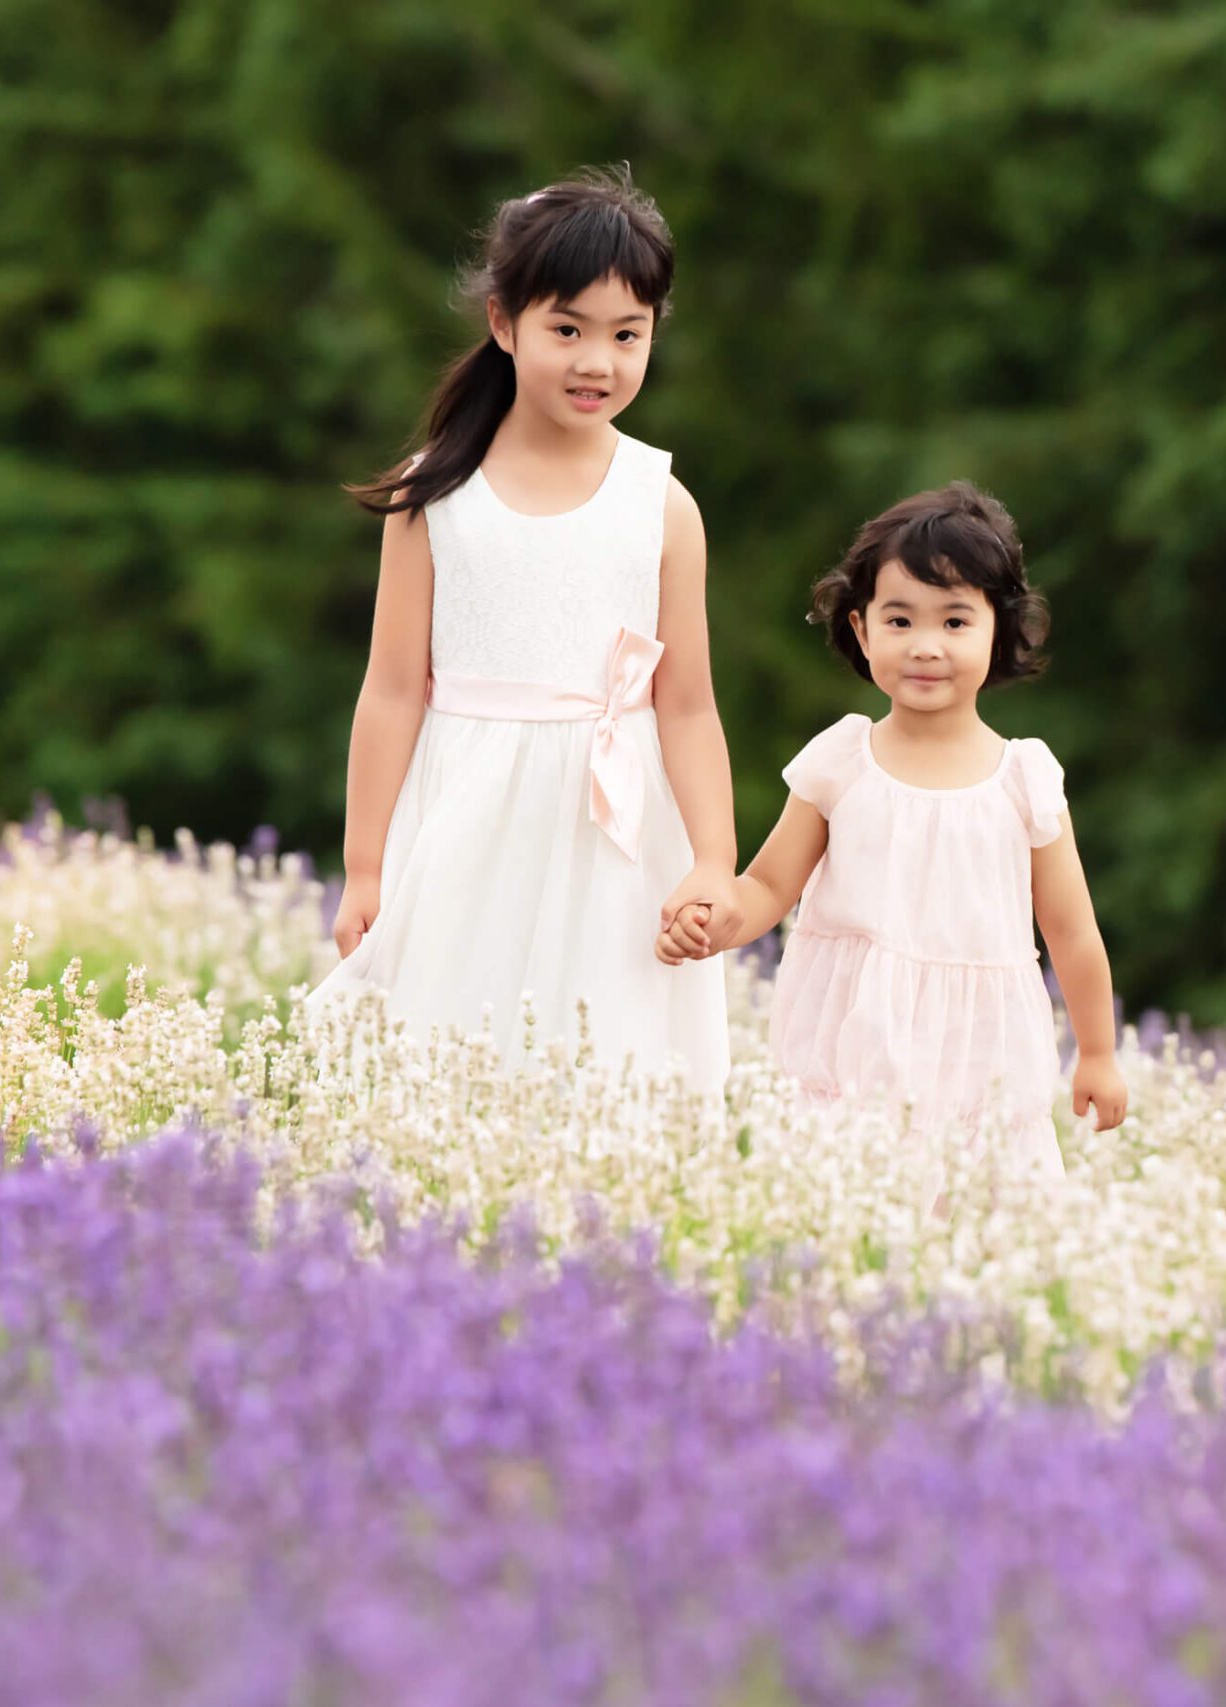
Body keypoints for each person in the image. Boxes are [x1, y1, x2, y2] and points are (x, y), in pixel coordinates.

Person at [309, 167, 738, 1093]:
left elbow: (688, 706)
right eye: (568, 330)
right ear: (504, 324)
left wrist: (712, 860)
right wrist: (366, 867)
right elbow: (391, 689)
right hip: (464, 818)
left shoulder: (662, 506)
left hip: (613, 840)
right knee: (448, 1058)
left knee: (604, 1072)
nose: (599, 362)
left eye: (628, 335)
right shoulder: (436, 495)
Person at [658, 482, 1128, 1170]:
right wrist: (718, 921)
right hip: (857, 1048)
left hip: (980, 1061)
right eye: (900, 621)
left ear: (1000, 629)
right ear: (860, 628)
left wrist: (1097, 1053)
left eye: (955, 622)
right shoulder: (842, 761)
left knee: (978, 1230)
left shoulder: (1023, 779)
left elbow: (1072, 930)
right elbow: (766, 885)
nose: (926, 646)